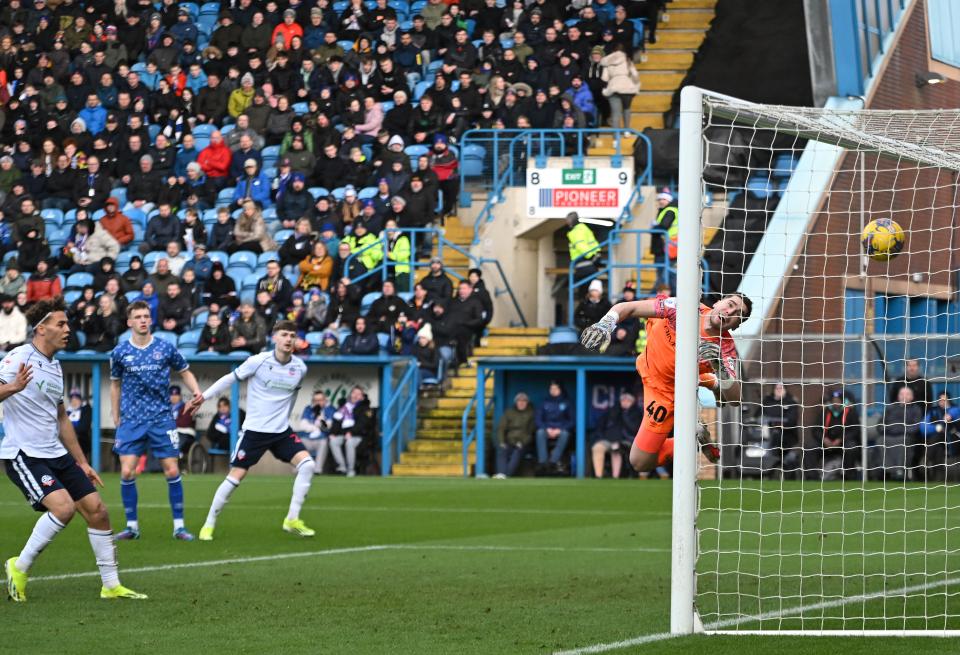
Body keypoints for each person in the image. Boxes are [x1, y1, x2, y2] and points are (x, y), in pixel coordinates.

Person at [2, 297, 147, 602]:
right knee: (64, 508)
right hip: (24, 453)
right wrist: (13, 387)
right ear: (42, 329)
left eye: (67, 323)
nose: (68, 329)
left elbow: (62, 418)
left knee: (98, 511)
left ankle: (111, 585)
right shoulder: (18, 358)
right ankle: (20, 567)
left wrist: (82, 462)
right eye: (61, 323)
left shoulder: (55, 367)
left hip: (55, 453)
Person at [580, 293, 752, 474]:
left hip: (665, 391)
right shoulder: (684, 309)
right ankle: (713, 382)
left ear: (736, 326)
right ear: (718, 302)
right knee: (655, 308)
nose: (730, 312)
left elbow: (735, 399)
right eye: (730, 304)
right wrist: (605, 324)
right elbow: (627, 307)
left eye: (738, 314)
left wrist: (719, 366)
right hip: (653, 353)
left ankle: (691, 437)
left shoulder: (725, 348)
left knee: (639, 462)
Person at [187, 320, 316, 540]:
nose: (288, 339)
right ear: (274, 338)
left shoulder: (300, 368)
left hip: (281, 432)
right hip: (255, 432)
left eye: (292, 336)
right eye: (284, 334)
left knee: (308, 465)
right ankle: (209, 524)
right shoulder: (258, 361)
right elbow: (230, 379)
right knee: (235, 478)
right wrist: (203, 397)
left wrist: (283, 420)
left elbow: (292, 396)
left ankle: (292, 519)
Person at [109, 301, 203, 541]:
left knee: (172, 470)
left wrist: (196, 391)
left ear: (150, 320)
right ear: (129, 322)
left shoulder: (165, 347)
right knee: (127, 472)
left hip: (161, 419)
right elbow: (115, 385)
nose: (142, 320)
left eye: (146, 316)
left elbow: (185, 371)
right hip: (131, 420)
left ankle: (179, 527)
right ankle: (132, 527)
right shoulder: (119, 352)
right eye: (138, 317)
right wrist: (115, 414)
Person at [878, 386, 924, 482]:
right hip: (889, 434)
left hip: (906, 436)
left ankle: (900, 470)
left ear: (912, 397)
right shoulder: (890, 408)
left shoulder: (916, 409)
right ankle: (888, 470)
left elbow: (916, 426)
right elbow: (880, 425)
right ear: (898, 396)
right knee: (880, 440)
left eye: (907, 394)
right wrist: (890, 429)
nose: (904, 396)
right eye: (901, 394)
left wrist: (901, 429)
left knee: (903, 441)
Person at [592, 392, 642, 479]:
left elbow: (634, 430)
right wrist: (601, 437)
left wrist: (625, 415)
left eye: (628, 400)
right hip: (609, 439)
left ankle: (615, 477)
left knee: (616, 449)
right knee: (597, 448)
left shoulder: (636, 413)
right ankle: (598, 476)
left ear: (633, 401)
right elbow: (601, 426)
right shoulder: (613, 410)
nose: (625, 402)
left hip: (628, 441)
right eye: (623, 400)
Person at [328, 386, 375, 477]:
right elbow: (337, 421)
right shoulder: (344, 407)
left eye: (358, 394)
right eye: (354, 393)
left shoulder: (365, 408)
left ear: (362, 397)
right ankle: (342, 468)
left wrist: (351, 432)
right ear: (350, 395)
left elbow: (362, 424)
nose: (355, 395)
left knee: (349, 442)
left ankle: (351, 470)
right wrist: (332, 433)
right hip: (344, 434)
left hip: (360, 436)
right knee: (333, 441)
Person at [816, 389, 862, 481]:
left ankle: (849, 477)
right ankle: (812, 477)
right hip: (826, 444)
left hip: (844, 443)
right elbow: (816, 429)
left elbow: (855, 430)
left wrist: (841, 439)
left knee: (851, 447)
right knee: (809, 447)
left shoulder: (850, 412)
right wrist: (823, 439)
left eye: (837, 401)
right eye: (834, 401)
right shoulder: (825, 412)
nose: (835, 403)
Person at [761, 383, 801, 476]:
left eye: (781, 388)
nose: (779, 390)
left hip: (787, 436)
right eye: (777, 388)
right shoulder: (767, 402)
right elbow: (759, 416)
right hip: (766, 435)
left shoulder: (791, 402)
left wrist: (777, 424)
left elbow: (791, 420)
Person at [535, 381, 574, 475]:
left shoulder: (567, 402)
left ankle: (553, 461)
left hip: (561, 429)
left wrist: (559, 429)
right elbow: (538, 419)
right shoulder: (544, 402)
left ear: (560, 390)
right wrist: (547, 428)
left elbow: (572, 420)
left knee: (565, 434)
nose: (553, 390)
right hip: (547, 429)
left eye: (555, 388)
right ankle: (543, 462)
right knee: (540, 432)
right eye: (551, 388)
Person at [493, 392, 536, 479]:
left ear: (527, 402)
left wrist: (522, 442)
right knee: (502, 450)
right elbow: (501, 428)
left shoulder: (531, 414)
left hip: (524, 443)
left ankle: (507, 475)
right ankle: (501, 473)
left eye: (524, 401)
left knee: (517, 452)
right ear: (516, 402)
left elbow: (531, 432)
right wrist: (501, 442)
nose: (521, 403)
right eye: (519, 401)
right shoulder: (509, 412)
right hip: (509, 441)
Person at [922, 392, 960, 481]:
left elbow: (955, 413)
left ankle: (927, 458)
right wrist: (936, 428)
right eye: (940, 400)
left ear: (949, 400)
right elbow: (923, 427)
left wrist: (950, 415)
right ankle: (939, 477)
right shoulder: (933, 411)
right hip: (937, 440)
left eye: (944, 400)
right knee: (938, 447)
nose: (942, 402)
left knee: (937, 440)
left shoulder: (955, 409)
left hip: (953, 439)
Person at [299, 391, 335, 474]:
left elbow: (328, 426)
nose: (318, 402)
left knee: (323, 442)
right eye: (315, 400)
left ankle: (317, 470)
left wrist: (321, 420)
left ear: (325, 400)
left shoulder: (330, 409)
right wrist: (315, 427)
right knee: (299, 442)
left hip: (321, 439)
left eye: (320, 400)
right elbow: (303, 425)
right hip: (308, 438)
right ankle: (299, 469)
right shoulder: (308, 409)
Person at [650, 189, 677, 293]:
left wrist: (654, 227)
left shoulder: (670, 211)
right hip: (664, 247)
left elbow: (664, 226)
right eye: (660, 199)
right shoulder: (665, 210)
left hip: (666, 247)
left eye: (664, 199)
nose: (661, 201)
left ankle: (653, 295)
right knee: (667, 274)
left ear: (669, 200)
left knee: (664, 274)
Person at [565, 211, 602, 282]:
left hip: (582, 259)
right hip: (591, 259)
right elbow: (592, 242)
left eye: (568, 220)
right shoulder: (584, 228)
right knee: (589, 283)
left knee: (574, 283)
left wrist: (590, 256)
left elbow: (581, 245)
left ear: (572, 220)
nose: (567, 222)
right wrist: (596, 254)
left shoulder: (575, 232)